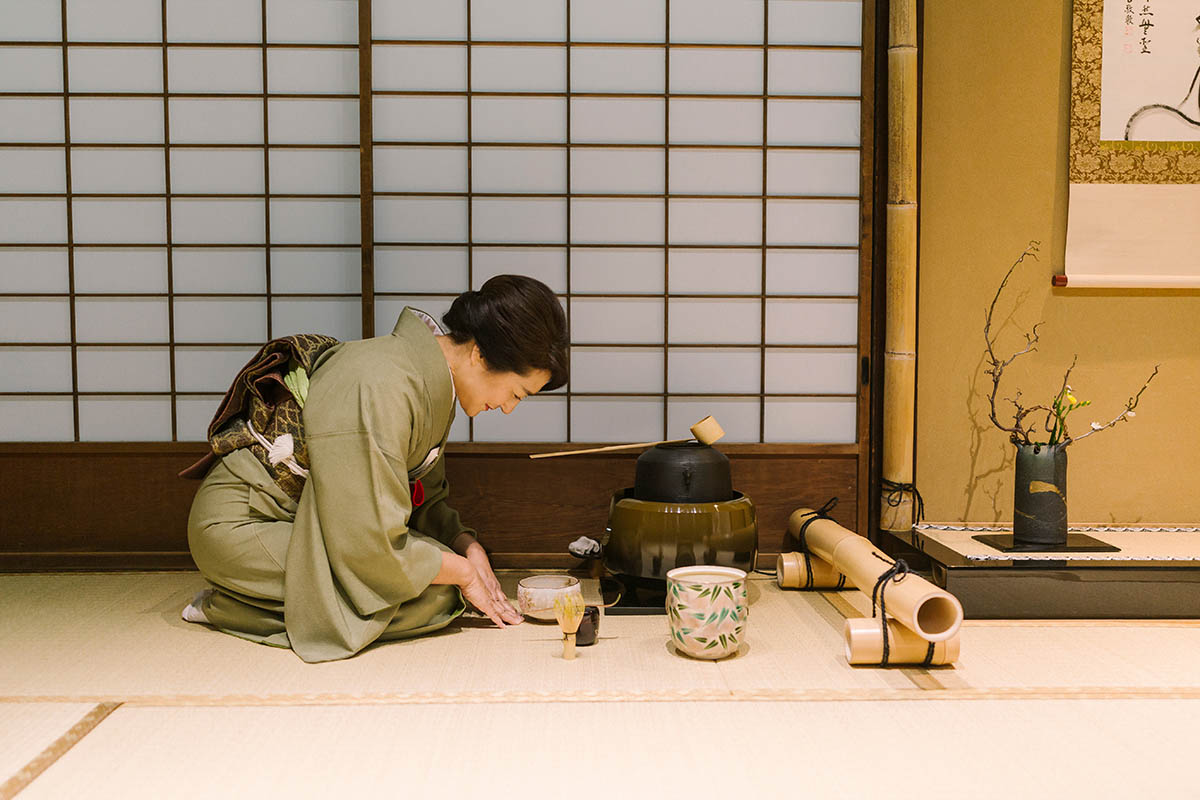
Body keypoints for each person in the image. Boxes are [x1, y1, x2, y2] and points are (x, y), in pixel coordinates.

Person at [182, 275, 569, 662]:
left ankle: (255, 598)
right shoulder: (382, 383)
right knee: (436, 595)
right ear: (480, 355)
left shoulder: (434, 385)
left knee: (439, 585)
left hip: (316, 524)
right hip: (245, 524)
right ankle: (229, 606)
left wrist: (467, 548)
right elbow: (366, 539)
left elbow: (422, 497)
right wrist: (463, 574)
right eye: (516, 393)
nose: (508, 407)